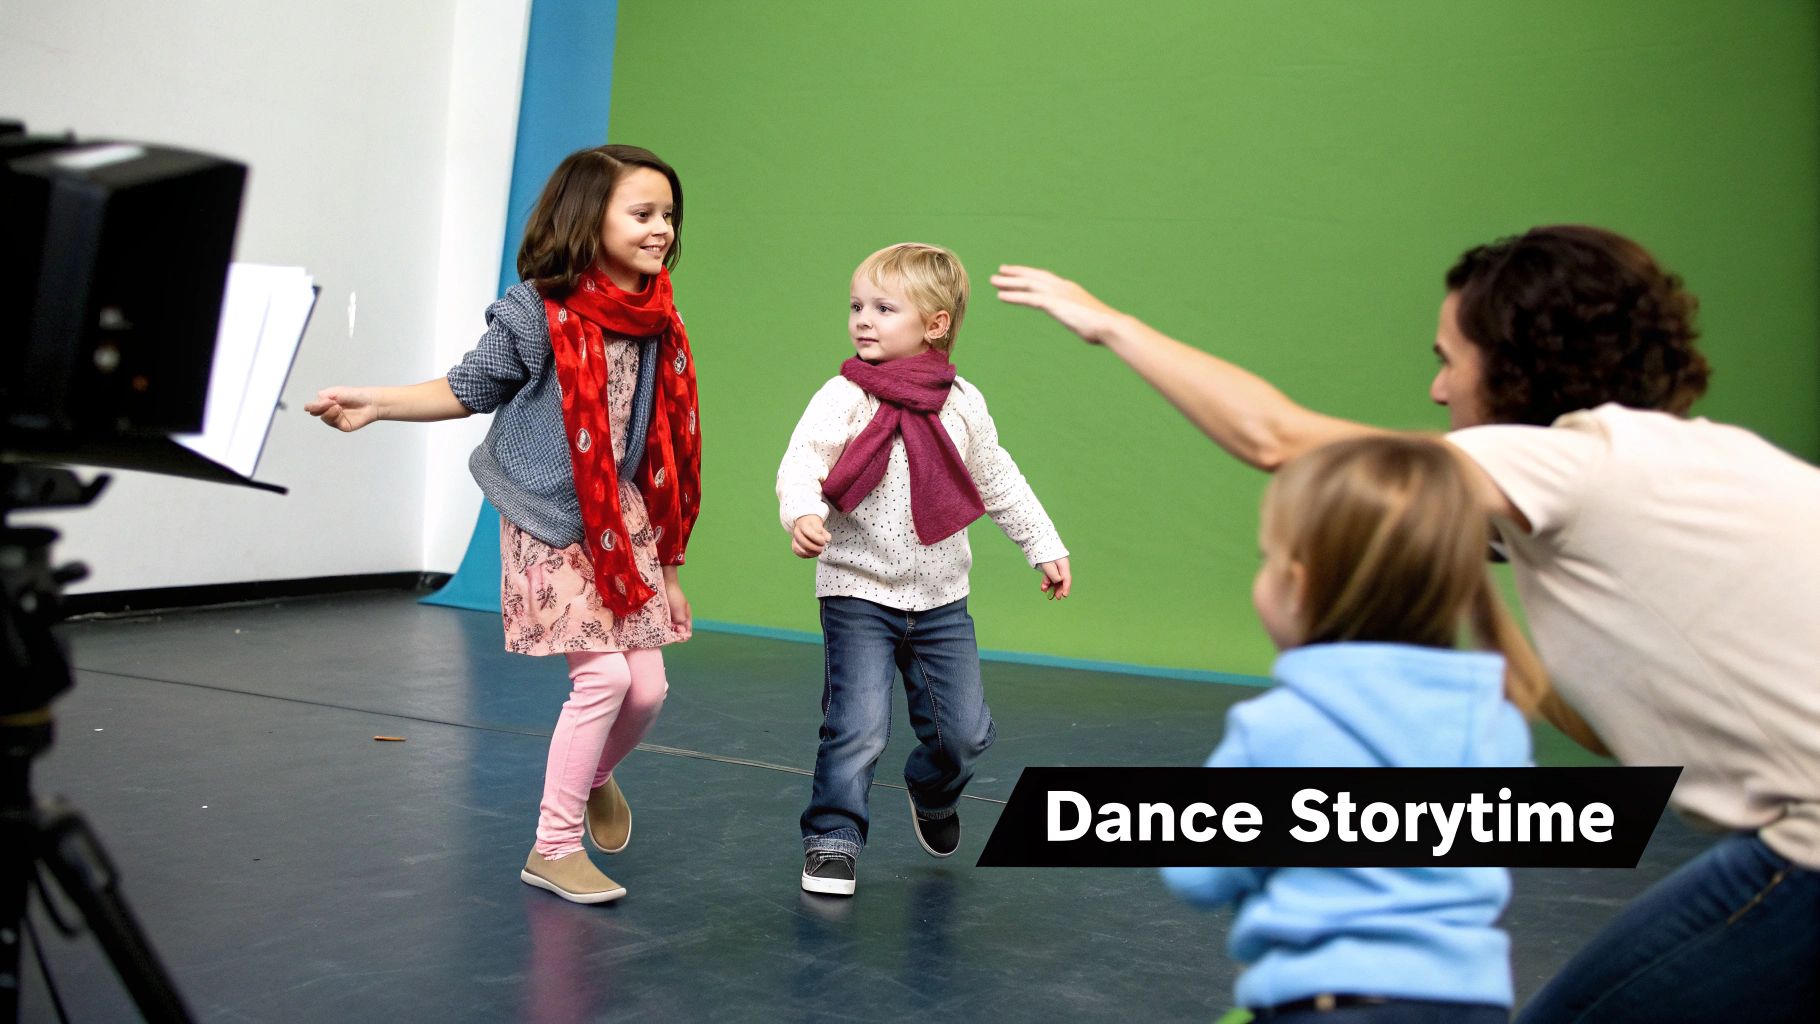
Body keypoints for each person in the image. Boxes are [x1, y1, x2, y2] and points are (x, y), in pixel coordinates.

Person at [995, 225, 1820, 1021]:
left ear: (1514, 366)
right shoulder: (1695, 464)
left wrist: (1108, 323)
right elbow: (1608, 723)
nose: (1436, 390)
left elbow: (1279, 440)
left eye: (1448, 361)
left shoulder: (1571, 463)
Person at [306, 144, 701, 905]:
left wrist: (671, 571)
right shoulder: (536, 310)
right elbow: (468, 388)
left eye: (668, 217)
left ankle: (593, 775)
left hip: (622, 519)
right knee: (606, 678)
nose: (662, 231)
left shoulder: (657, 315)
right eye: (643, 214)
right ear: (591, 219)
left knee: (647, 690)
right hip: (548, 511)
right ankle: (552, 848)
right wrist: (378, 402)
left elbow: (662, 448)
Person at [1164, 434, 1537, 1022]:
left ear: (1301, 586)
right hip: (1472, 1005)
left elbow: (1199, 875)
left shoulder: (1276, 729)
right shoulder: (1500, 724)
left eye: (1269, 558)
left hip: (1325, 1005)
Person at [776, 242, 1072, 896]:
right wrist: (800, 511)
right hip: (858, 591)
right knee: (856, 726)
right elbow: (802, 461)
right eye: (857, 305)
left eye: (884, 308)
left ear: (935, 324)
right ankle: (832, 839)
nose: (863, 319)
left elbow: (997, 480)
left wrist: (1042, 543)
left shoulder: (962, 402)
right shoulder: (845, 395)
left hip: (941, 600)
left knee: (964, 733)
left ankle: (933, 790)